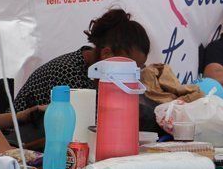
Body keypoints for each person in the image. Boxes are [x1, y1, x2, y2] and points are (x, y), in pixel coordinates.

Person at [13, 8, 149, 112]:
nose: (133, 75)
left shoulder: (94, 72)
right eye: (129, 68)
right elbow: (86, 126)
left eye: (138, 69)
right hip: (17, 144)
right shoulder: (67, 73)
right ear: (106, 53)